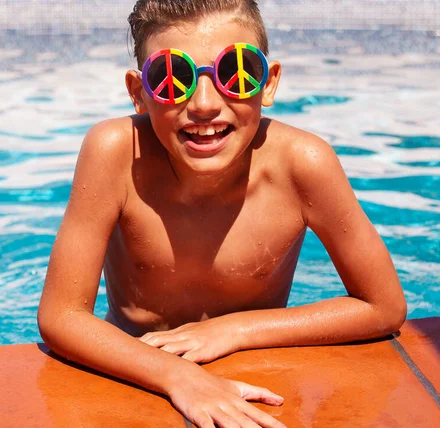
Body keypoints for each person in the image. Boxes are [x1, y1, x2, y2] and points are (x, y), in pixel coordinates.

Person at [37, 1, 407, 426]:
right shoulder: (115, 153)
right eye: (173, 79)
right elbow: (61, 315)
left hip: (255, 367)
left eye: (237, 74)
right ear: (139, 93)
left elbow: (383, 305)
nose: (205, 105)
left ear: (268, 83)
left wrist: (235, 330)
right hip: (136, 368)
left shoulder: (303, 163)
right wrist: (178, 375)